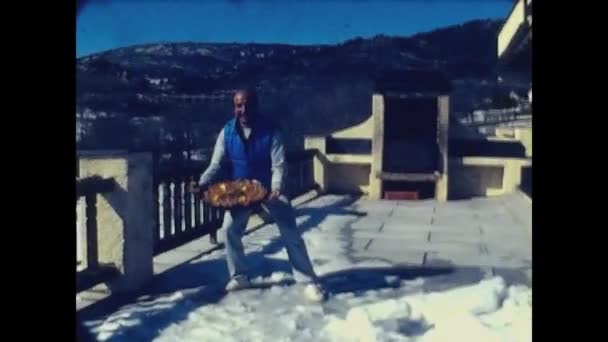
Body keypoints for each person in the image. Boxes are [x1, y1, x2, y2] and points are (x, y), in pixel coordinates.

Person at [198, 88, 325, 302]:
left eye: (248, 104)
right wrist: (202, 182)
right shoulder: (227, 132)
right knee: (229, 229)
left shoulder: (271, 131)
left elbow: (279, 164)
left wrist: (276, 188)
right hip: (240, 192)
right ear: (234, 107)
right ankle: (239, 276)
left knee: (290, 233)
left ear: (256, 106)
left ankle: (306, 279)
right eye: (239, 105)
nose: (243, 109)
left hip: (270, 191)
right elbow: (216, 163)